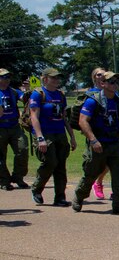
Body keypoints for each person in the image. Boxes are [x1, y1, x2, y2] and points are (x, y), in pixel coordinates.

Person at [72, 71, 119, 214]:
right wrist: (93, 140)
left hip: (114, 143)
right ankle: (79, 196)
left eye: (116, 82)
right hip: (97, 144)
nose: (115, 85)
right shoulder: (92, 101)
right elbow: (83, 121)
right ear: (103, 84)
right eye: (111, 82)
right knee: (91, 174)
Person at [28, 67, 78, 206]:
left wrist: (72, 137)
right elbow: (34, 117)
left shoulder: (60, 95)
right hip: (45, 134)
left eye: (58, 78)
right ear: (45, 79)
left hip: (60, 133)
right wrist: (40, 137)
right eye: (53, 77)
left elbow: (64, 118)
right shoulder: (38, 94)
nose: (56, 80)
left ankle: (60, 197)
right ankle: (37, 189)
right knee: (50, 162)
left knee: (61, 165)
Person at [0, 68, 30, 190]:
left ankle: (18, 177)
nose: (6, 80)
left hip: (14, 126)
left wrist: (28, 90)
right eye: (3, 77)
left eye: (8, 77)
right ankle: (4, 180)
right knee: (1, 156)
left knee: (22, 149)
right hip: (0, 127)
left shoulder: (13, 91)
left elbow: (25, 98)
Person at [86, 67, 111, 201]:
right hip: (96, 135)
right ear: (94, 77)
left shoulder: (111, 92)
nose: (102, 76)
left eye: (104, 74)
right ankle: (89, 186)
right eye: (99, 75)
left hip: (111, 134)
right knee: (95, 165)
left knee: (114, 163)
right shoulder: (90, 95)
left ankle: (113, 188)